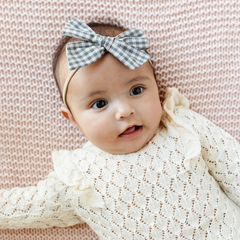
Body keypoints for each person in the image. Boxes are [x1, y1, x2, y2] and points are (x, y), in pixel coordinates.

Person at [0, 18, 240, 239]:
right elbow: (23, 206)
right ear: (71, 118)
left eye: (136, 90)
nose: (124, 110)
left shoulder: (181, 126)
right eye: (100, 104)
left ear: (157, 88)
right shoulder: (78, 178)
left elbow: (234, 167)